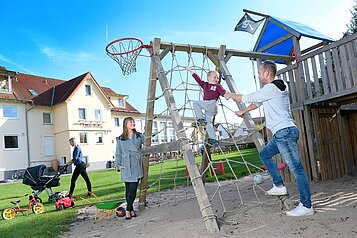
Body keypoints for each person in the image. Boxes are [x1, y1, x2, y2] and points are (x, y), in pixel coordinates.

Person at [225, 60, 313, 216]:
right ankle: (278, 185)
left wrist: (228, 94)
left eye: (259, 72)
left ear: (266, 73)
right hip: (283, 133)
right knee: (264, 154)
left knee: (297, 169)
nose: (258, 75)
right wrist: (243, 112)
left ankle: (306, 206)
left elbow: (248, 97)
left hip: (284, 132)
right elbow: (257, 102)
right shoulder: (278, 86)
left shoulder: (271, 88)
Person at [186, 67, 227, 145]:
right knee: (208, 123)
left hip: (212, 104)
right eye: (215, 77)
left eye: (218, 78)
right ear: (209, 78)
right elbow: (198, 79)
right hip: (209, 109)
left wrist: (228, 95)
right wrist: (190, 71)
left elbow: (223, 93)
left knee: (195, 103)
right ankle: (213, 139)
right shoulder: (205, 85)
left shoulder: (218, 86)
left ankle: (200, 119)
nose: (217, 79)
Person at [115, 117, 145, 220]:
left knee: (133, 188)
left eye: (133, 121)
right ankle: (131, 210)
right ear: (125, 124)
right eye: (130, 122)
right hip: (125, 165)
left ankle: (127, 210)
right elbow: (118, 153)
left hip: (136, 163)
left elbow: (148, 141)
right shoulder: (120, 139)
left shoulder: (139, 136)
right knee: (128, 189)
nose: (132, 123)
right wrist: (118, 165)